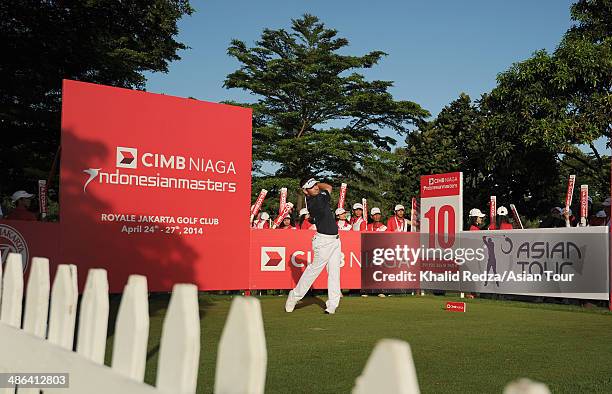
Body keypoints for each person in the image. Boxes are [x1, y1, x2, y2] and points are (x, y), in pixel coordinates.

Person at [286, 178, 341, 314]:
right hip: (323, 242)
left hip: (335, 240)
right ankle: (294, 296)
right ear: (305, 191)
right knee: (313, 272)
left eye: (316, 185)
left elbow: (327, 186)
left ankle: (332, 305)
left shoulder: (318, 194)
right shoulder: (314, 203)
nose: (316, 188)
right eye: (312, 187)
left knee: (334, 273)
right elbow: (327, 188)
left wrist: (315, 184)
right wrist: (317, 187)